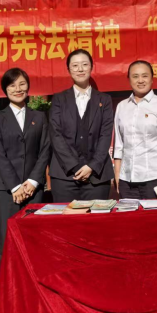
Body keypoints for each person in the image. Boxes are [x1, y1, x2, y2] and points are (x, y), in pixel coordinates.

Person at [0, 68, 50, 253]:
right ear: (5, 89)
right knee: (8, 241)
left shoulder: (39, 117)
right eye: (12, 85)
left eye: (22, 84)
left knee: (34, 241)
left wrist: (33, 181)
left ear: (28, 87)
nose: (18, 89)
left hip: (33, 189)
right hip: (6, 190)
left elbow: (45, 149)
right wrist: (15, 186)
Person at [49, 49, 114, 202]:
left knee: (96, 217)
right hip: (64, 176)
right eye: (75, 65)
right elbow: (56, 135)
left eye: (84, 64)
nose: (80, 69)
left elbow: (105, 135)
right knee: (66, 216)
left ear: (91, 67)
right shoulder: (59, 99)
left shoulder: (104, 100)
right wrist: (74, 166)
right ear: (68, 69)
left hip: (97, 176)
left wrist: (92, 166)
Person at [113, 61, 157, 199]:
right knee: (128, 214)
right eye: (135, 76)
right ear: (129, 79)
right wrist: (117, 174)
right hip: (126, 179)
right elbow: (119, 144)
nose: (140, 80)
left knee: (156, 213)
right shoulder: (122, 106)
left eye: (145, 76)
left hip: (155, 178)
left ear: (152, 79)